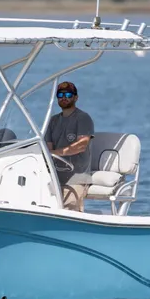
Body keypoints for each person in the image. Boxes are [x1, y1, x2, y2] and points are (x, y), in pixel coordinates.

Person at [44, 81, 94, 212]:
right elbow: (48, 148)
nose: (64, 97)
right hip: (53, 177)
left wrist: (57, 153)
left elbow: (81, 145)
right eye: (60, 94)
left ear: (76, 97)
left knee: (68, 209)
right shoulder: (52, 121)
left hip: (77, 178)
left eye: (68, 94)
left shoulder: (83, 118)